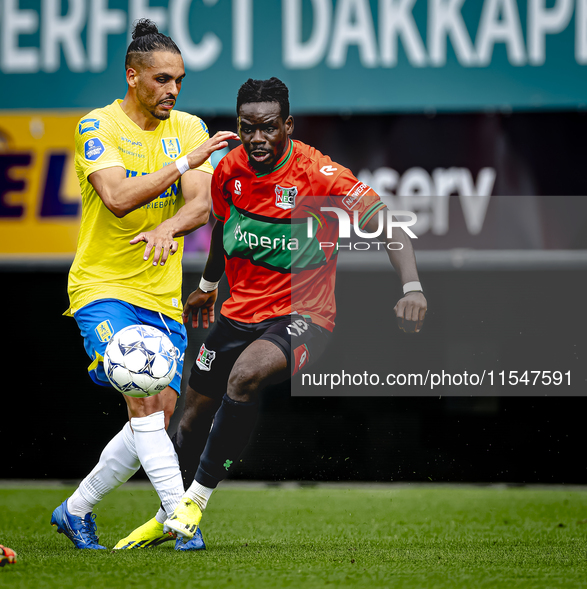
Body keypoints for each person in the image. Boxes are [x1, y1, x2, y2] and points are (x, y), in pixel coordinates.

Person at [118, 77, 428, 549]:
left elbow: (390, 225)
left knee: (244, 377)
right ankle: (168, 513)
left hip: (304, 317)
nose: (257, 138)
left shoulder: (319, 176)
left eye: (268, 127)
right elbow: (222, 228)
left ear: (288, 124)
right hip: (236, 315)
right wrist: (206, 286)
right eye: (248, 128)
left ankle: (194, 505)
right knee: (189, 419)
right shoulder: (229, 171)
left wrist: (412, 286)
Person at [50, 18, 237, 551]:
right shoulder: (97, 126)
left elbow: (201, 205)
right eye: (161, 79)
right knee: (142, 397)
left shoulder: (191, 127)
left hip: (161, 296)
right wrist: (181, 165)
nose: (172, 90)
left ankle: (76, 508)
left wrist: (168, 225)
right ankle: (182, 521)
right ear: (133, 76)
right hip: (102, 286)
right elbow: (115, 196)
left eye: (179, 79)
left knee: (156, 414)